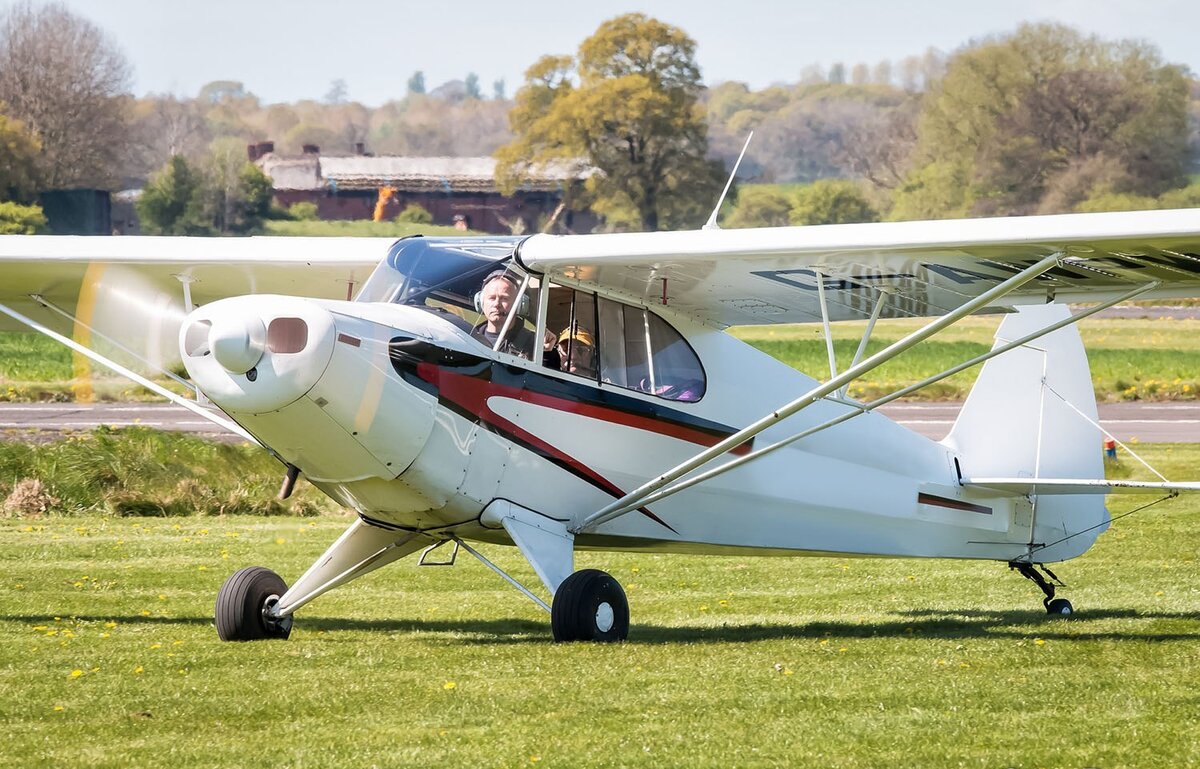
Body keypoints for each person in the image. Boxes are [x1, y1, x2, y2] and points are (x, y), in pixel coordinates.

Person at [471, 270, 537, 359]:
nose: (496, 304)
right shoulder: (469, 340)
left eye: (504, 298)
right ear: (481, 302)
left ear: (519, 304)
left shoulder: (535, 344)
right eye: (492, 298)